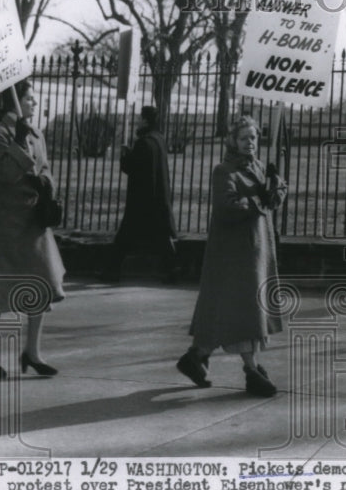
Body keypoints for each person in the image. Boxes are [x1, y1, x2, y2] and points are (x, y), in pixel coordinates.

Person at [176, 116, 287, 397]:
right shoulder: (223, 171)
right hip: (234, 253)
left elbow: (272, 197)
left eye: (253, 138)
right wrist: (258, 199)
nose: (249, 143)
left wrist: (276, 188)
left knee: (230, 312)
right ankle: (251, 371)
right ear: (232, 142)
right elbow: (227, 207)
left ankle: (196, 357)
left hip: (257, 249)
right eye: (243, 138)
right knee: (243, 311)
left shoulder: (259, 167)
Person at [0, 80, 65, 378]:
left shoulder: (35, 133)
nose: (35, 104)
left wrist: (45, 183)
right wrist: (18, 144)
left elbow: (45, 167)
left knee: (42, 283)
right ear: (15, 102)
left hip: (32, 221)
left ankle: (32, 351)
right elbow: (5, 173)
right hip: (4, 223)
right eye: (30, 99)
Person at [102, 105, 179, 283]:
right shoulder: (159, 139)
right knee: (162, 236)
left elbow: (132, 168)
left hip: (141, 198)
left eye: (140, 117)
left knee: (124, 237)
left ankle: (111, 271)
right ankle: (173, 268)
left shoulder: (144, 142)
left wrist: (124, 155)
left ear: (145, 120)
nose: (137, 120)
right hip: (157, 195)